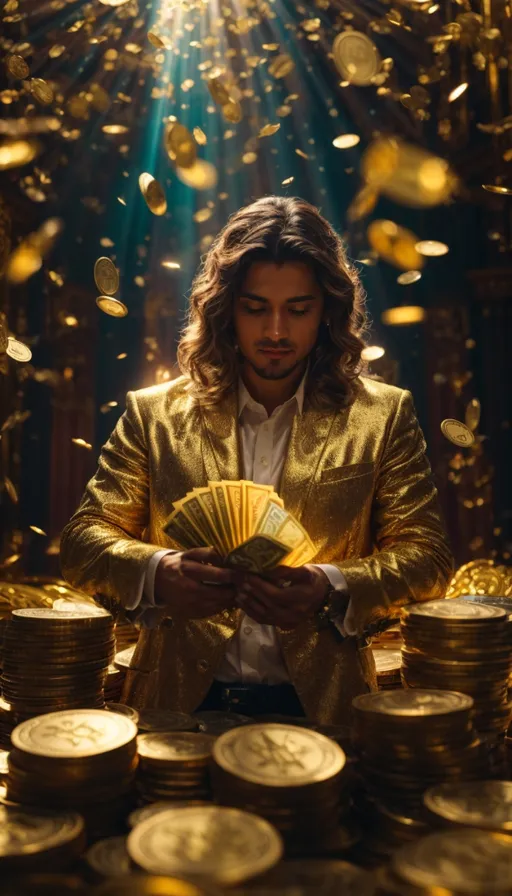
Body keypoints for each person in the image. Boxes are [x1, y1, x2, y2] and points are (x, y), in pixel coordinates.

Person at [60, 195, 454, 724]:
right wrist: (157, 572)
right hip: (174, 709)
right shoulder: (153, 414)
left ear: (328, 312)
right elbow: (84, 543)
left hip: (325, 711)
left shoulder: (384, 415)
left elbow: (428, 558)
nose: (274, 332)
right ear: (224, 310)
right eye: (255, 308)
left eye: (297, 310)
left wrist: (331, 587)